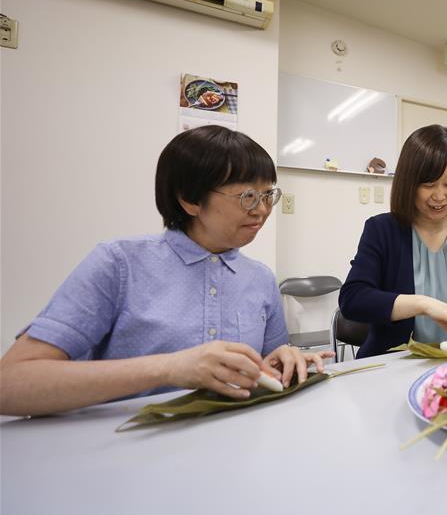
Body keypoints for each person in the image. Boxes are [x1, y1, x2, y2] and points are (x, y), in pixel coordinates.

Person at [0, 125, 333, 417]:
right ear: (190, 200)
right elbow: (10, 385)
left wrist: (283, 360)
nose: (261, 210)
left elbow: (265, 368)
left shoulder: (260, 278)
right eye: (247, 196)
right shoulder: (119, 263)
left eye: (267, 195)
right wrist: (170, 367)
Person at [340, 124, 447, 358]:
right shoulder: (381, 230)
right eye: (428, 184)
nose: (439, 196)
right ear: (409, 183)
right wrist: (424, 304)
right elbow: (353, 299)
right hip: (395, 366)